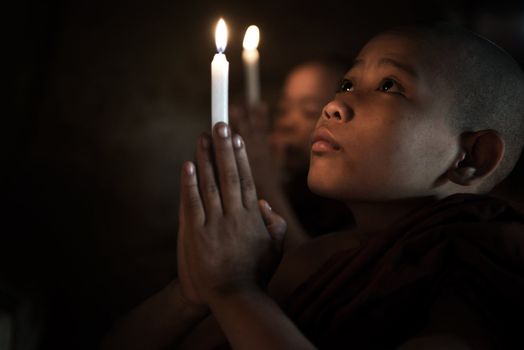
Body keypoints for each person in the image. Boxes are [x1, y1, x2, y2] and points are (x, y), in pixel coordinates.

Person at [100, 22, 524, 349]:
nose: (334, 105)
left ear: (471, 158)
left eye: (389, 86)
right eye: (346, 84)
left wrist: (233, 291)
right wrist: (191, 293)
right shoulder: (316, 256)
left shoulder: (481, 263)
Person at [231, 59, 353, 251]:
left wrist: (266, 183)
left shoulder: (348, 200)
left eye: (309, 112)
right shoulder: (292, 182)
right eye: (283, 110)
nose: (287, 123)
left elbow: (313, 269)